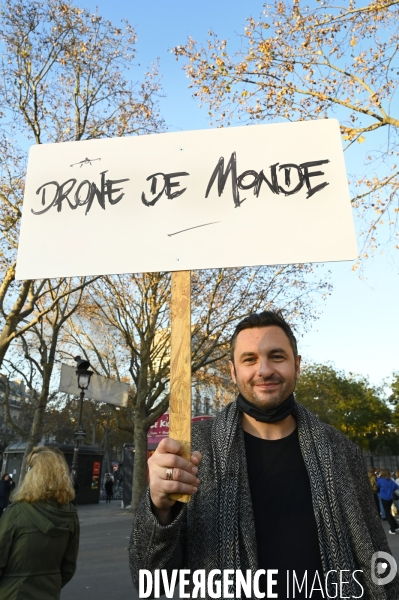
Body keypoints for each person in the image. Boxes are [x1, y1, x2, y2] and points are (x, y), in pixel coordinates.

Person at [129, 310, 399, 599]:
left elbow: (377, 557)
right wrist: (158, 507)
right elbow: (149, 577)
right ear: (233, 371)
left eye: (277, 356)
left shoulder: (340, 450)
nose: (264, 370)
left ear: (297, 366)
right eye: (250, 359)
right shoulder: (192, 450)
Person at [0, 446, 80, 599]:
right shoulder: (69, 514)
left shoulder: (16, 512)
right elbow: (68, 566)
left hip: (13, 593)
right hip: (49, 592)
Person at [376, 470, 399, 535]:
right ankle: (396, 526)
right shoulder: (390, 480)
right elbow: (396, 487)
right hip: (390, 498)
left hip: (384, 498)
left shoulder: (380, 480)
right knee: (389, 512)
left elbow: (377, 485)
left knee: (387, 514)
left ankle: (392, 529)